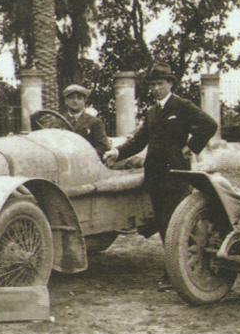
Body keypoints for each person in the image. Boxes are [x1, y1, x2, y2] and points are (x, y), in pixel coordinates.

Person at [103, 62, 218, 243]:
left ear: (170, 84)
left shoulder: (182, 106)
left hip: (176, 175)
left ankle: (178, 266)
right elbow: (139, 141)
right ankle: (172, 263)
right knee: (163, 223)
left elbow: (210, 125)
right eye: (152, 85)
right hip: (155, 176)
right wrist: (116, 153)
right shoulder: (152, 112)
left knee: (175, 222)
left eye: (160, 84)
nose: (156, 88)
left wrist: (191, 147)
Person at [63, 84, 111, 158]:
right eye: (71, 98)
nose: (75, 101)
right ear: (66, 101)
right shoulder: (59, 120)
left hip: (86, 161)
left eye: (79, 98)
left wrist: (85, 154)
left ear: (85, 101)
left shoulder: (94, 122)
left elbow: (103, 146)